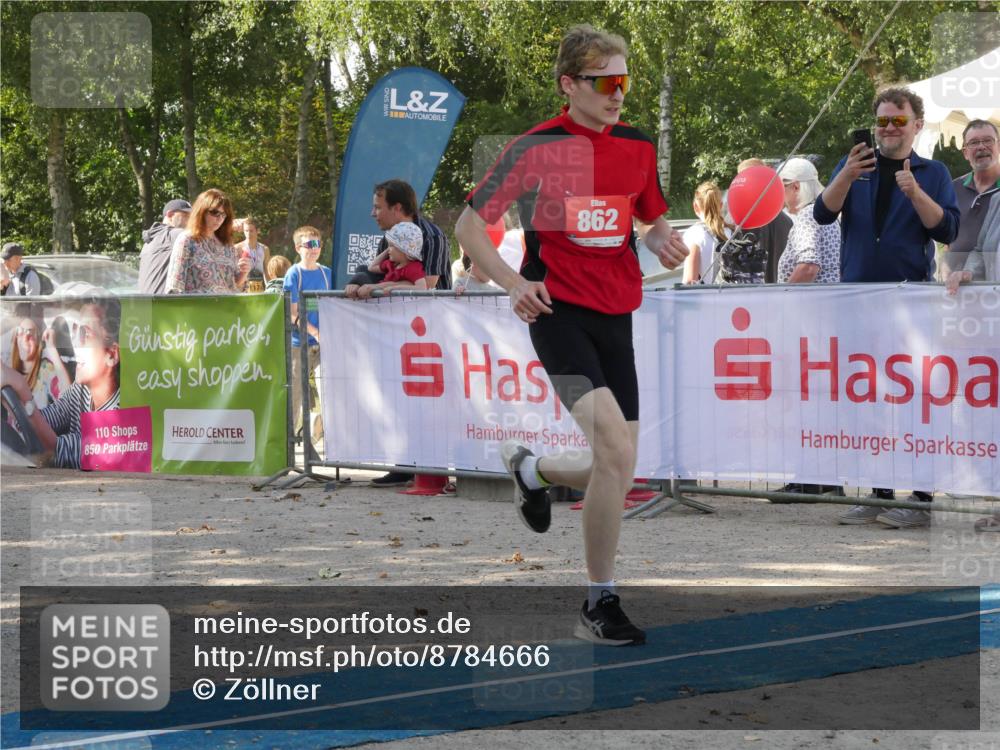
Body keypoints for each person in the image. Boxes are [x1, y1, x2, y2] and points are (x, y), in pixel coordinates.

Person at [456, 24, 687, 646]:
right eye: (604, 81)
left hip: (616, 314)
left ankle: (532, 471)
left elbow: (650, 216)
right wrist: (511, 282)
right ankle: (598, 602)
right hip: (556, 316)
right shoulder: (536, 148)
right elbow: (469, 225)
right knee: (615, 449)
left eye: (624, 80)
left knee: (620, 461)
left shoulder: (637, 146)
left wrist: (662, 237)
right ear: (569, 84)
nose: (617, 93)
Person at [814, 86, 959, 529]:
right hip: (857, 301)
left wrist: (914, 192)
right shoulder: (855, 164)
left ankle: (919, 499)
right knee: (867, 400)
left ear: (916, 125)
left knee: (914, 400)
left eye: (898, 120)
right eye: (882, 120)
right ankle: (877, 493)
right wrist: (844, 175)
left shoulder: (933, 172)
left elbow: (947, 230)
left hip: (910, 301)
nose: (888, 128)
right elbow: (822, 214)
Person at [351, 178, 451, 487]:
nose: (373, 213)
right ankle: (406, 463)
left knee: (430, 399)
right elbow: (373, 270)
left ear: (397, 208)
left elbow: (428, 285)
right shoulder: (387, 240)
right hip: (398, 330)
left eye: (378, 207)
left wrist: (381, 288)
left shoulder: (431, 235)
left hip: (433, 329)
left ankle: (434, 466)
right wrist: (357, 283)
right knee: (401, 395)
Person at [1, 297, 121, 469]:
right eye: (74, 331)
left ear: (111, 355)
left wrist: (22, 391)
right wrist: (12, 398)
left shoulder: (121, 414)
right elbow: (42, 421)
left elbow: (56, 451)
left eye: (85, 334)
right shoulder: (81, 391)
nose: (75, 344)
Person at [283, 226, 332, 440]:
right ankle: (289, 443)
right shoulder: (294, 273)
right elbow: (292, 313)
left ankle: (329, 437)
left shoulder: (327, 273)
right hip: (299, 343)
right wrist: (315, 332)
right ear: (298, 247)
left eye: (318, 244)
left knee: (328, 391)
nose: (314, 249)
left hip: (324, 345)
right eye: (309, 245)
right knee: (296, 395)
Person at [939, 120, 1000, 279]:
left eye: (988, 140)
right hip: (957, 288)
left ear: (998, 146)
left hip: (993, 286)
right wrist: (945, 269)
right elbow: (947, 240)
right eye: (973, 143)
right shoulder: (952, 188)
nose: (981, 146)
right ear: (965, 153)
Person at [164, 189, 250, 294]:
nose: (219, 219)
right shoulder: (187, 239)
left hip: (227, 308)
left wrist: (243, 273)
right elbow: (174, 286)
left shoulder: (228, 245)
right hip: (198, 308)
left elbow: (236, 287)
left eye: (224, 215)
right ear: (201, 211)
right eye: (215, 212)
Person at [776, 158, 840, 284]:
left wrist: (783, 298)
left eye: (781, 188)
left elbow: (808, 267)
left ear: (795, 187)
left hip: (812, 301)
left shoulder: (808, 216)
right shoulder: (822, 213)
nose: (779, 194)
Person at [7, 312, 71, 411]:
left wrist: (52, 349)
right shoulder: (10, 370)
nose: (25, 338)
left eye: (30, 333)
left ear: (39, 342)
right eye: (20, 332)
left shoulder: (46, 369)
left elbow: (69, 399)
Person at [353, 222, 426, 298]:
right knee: (361, 269)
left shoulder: (413, 267)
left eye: (391, 246)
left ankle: (344, 300)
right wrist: (387, 250)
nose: (388, 250)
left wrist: (396, 288)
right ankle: (350, 294)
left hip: (387, 299)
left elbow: (422, 288)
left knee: (360, 277)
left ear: (403, 250)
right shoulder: (392, 264)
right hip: (380, 294)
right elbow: (371, 268)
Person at [682, 181, 732, 284]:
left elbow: (690, 281)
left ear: (695, 206)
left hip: (706, 298)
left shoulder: (693, 234)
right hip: (729, 297)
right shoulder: (731, 233)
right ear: (721, 205)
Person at [138, 199, 192, 294]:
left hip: (146, 305)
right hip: (164, 304)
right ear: (170, 215)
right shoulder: (177, 235)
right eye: (186, 216)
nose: (191, 221)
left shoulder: (149, 241)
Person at [234, 216, 272, 281]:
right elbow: (234, 271)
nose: (248, 234)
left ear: (258, 231)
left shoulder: (265, 249)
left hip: (260, 286)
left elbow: (267, 272)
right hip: (244, 286)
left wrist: (269, 288)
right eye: (246, 231)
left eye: (251, 231)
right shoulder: (237, 248)